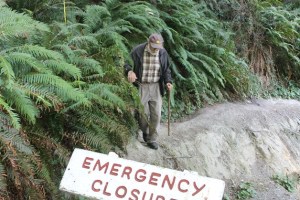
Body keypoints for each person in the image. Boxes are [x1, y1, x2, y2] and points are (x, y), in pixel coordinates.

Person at [124, 33, 173, 150]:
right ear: (148, 43)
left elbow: (166, 69)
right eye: (154, 47)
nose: (156, 50)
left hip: (156, 86)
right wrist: (129, 71)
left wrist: (168, 81)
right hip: (142, 85)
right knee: (143, 114)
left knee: (156, 113)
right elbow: (127, 63)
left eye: (158, 47)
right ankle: (145, 132)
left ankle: (152, 139)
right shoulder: (138, 51)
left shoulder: (162, 52)